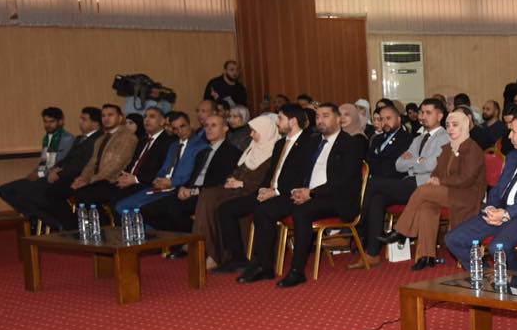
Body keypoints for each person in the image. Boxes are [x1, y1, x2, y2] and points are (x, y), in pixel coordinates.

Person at [240, 103, 366, 288]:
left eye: (326, 116)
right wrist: (295, 190)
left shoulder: (351, 144)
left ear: (338, 119)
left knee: (301, 211)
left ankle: (296, 271)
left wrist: (312, 193)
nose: (320, 120)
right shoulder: (313, 142)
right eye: (318, 116)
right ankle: (264, 266)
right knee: (263, 209)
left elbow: (343, 180)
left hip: (336, 199)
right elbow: (297, 173)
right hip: (307, 195)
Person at [445, 111, 517, 276]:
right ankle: (485, 276)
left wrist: (508, 214)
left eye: (513, 131)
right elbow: (499, 188)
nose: (509, 136)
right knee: (453, 239)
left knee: (497, 248)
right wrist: (491, 208)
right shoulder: (513, 156)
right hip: (501, 212)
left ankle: (516, 284)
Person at [381, 108, 487, 271]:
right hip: (448, 192)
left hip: (467, 195)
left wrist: (439, 181)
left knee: (423, 191)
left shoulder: (473, 149)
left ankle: (401, 231)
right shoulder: (448, 148)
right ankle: (427, 256)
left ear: (465, 126)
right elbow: (437, 171)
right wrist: (434, 178)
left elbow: (467, 179)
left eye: (455, 125)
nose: (450, 128)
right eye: (448, 125)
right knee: (426, 206)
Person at [214, 106, 308, 273]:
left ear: (293, 121)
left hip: (289, 194)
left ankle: (264, 266)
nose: (277, 122)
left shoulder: (308, 143)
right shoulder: (280, 144)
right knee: (226, 209)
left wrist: (276, 192)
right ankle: (237, 258)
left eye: (280, 118)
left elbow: (300, 176)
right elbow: (271, 173)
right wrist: (263, 189)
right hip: (271, 191)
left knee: (262, 211)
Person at [357, 98, 448, 258]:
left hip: (426, 185)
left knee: (374, 183)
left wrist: (412, 162)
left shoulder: (444, 137)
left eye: (428, 113)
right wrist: (419, 161)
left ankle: (358, 223)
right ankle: (372, 253)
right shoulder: (418, 138)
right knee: (378, 198)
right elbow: (399, 164)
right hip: (411, 182)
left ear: (440, 116)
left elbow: (431, 165)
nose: (423, 116)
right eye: (422, 112)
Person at [0, 107, 100, 231]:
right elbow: (48, 162)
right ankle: (37, 218)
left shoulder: (68, 139)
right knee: (6, 190)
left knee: (29, 192)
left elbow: (68, 163)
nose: (47, 125)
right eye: (45, 121)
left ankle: (55, 223)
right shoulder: (48, 139)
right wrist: (36, 172)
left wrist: (44, 173)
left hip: (63, 176)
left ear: (61, 122)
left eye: (51, 121)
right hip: (50, 174)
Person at [140, 113, 241, 237]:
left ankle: (198, 238)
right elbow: (193, 177)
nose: (208, 129)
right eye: (206, 126)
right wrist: (184, 188)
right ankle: (180, 239)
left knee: (174, 211)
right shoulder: (203, 152)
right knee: (146, 211)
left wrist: (192, 191)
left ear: (225, 128)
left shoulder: (231, 153)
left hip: (207, 195)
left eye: (213, 125)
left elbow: (219, 182)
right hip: (190, 191)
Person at [115, 111, 204, 215]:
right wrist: (158, 180)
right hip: (161, 187)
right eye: (175, 128)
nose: (180, 131)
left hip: (177, 188)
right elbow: (164, 169)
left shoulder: (200, 146)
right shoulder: (174, 145)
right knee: (121, 206)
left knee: (140, 209)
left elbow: (191, 176)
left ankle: (144, 225)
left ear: (190, 125)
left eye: (182, 126)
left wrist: (171, 182)